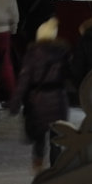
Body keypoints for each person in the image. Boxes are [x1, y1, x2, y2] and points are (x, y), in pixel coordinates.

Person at [13, 17, 72, 173]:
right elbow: (69, 75)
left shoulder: (32, 54)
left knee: (39, 138)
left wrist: (16, 101)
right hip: (58, 98)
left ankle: (38, 167)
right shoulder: (62, 52)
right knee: (56, 138)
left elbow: (24, 80)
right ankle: (56, 168)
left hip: (38, 100)